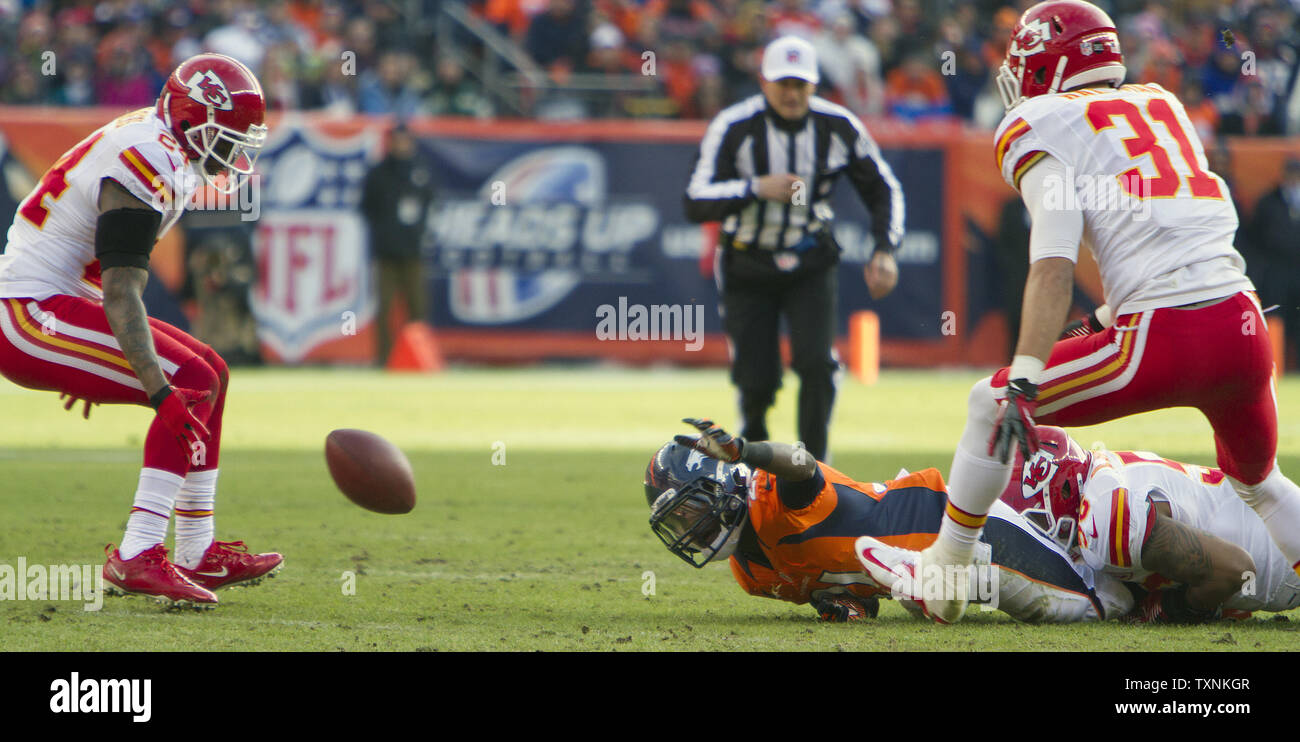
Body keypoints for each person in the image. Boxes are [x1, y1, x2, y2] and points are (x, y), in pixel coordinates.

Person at [918, 0, 1300, 624]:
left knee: (991, 405)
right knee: (1260, 482)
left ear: (1044, 63)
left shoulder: (1041, 120)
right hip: (1243, 323)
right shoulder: (1162, 103)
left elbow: (1053, 262)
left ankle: (947, 566)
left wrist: (1025, 373)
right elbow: (1164, 231)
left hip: (1167, 332)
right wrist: (1102, 319)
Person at [0, 53, 282, 609]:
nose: (233, 150)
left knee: (212, 375)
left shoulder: (160, 141)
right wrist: (157, 390)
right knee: (188, 384)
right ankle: (138, 552)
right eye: (224, 135)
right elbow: (121, 290)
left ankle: (198, 548)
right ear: (189, 117)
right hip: (27, 313)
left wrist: (94, 356)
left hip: (59, 303)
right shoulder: (148, 157)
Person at [644, 418, 1134, 624]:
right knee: (1085, 598)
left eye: (691, 509)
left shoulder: (775, 496)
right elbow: (836, 580)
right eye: (678, 520)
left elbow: (801, 461)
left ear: (724, 481)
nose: (690, 528)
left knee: (1100, 603)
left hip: (955, 529)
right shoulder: (751, 576)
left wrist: (747, 451)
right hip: (921, 583)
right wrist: (840, 607)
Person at [683, 35, 903, 462]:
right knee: (757, 378)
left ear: (814, 86)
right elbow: (694, 200)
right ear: (764, 83)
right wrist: (755, 188)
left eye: (800, 84)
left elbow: (882, 187)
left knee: (818, 365)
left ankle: (814, 467)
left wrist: (885, 248)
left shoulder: (837, 127)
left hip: (809, 257)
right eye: (783, 83)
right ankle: (752, 460)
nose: (791, 93)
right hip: (747, 258)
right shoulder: (734, 126)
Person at [994, 427, 1300, 622]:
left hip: (1288, 562)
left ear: (1059, 492)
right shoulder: (1097, 480)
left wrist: (1168, 609)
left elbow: (1235, 570)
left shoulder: (1102, 518)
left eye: (1033, 518)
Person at [359, 123, 436, 365]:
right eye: (397, 140)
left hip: (413, 250)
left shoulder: (421, 170)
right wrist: (385, 229)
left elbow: (430, 203)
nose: (401, 145)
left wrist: (417, 231)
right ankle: (385, 359)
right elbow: (366, 207)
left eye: (405, 141)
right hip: (386, 252)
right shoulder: (379, 172)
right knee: (385, 308)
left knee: (418, 309)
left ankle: (419, 358)